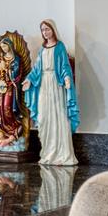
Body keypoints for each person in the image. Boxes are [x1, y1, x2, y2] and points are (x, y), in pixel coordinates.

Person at [25, 18, 79, 166]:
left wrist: (67, 78)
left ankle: (62, 154)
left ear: (53, 29)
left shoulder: (60, 47)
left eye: (47, 29)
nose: (45, 32)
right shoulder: (43, 49)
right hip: (43, 84)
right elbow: (37, 68)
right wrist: (29, 79)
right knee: (44, 117)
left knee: (58, 116)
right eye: (42, 30)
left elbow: (64, 66)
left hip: (56, 84)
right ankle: (48, 152)